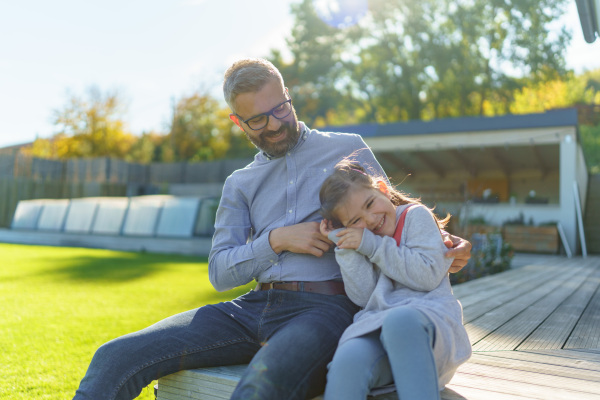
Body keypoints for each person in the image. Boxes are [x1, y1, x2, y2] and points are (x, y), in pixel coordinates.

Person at [72, 58, 471, 400]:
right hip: (249, 309)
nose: (276, 125)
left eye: (280, 109)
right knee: (114, 357)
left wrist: (443, 240)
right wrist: (275, 241)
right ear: (238, 122)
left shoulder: (348, 147)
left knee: (256, 390)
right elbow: (220, 271)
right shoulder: (239, 184)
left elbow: (391, 212)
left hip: (326, 310)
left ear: (288, 96)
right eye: (259, 119)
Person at [318, 160, 472, 400]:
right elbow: (364, 296)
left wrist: (372, 246)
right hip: (379, 328)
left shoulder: (414, 217)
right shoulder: (363, 240)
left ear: (382, 189)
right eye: (355, 221)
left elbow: (428, 276)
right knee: (349, 358)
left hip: (428, 329)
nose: (368, 220)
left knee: (399, 321)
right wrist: (346, 246)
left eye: (369, 204)